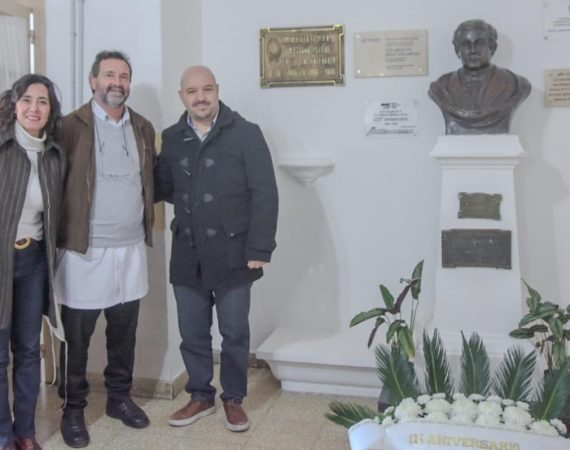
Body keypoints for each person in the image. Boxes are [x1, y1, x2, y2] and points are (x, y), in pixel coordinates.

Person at [155, 65, 278, 432]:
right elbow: (164, 188)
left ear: (217, 90)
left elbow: (265, 194)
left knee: (234, 332)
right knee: (192, 331)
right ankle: (200, 395)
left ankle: (234, 399)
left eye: (207, 89)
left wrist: (260, 248)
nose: (201, 97)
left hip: (234, 252)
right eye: (192, 91)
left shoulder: (246, 133)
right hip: (187, 251)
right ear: (182, 96)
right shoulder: (172, 138)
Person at [55, 51, 156, 448]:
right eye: (109, 74)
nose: (117, 82)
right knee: (77, 337)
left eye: (124, 76)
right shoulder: (69, 127)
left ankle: (119, 398)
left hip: (130, 248)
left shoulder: (142, 127)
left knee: (124, 332)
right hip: (85, 251)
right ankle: (72, 409)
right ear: (93, 80)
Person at [0, 74, 65, 450]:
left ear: (51, 109)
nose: (34, 108)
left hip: (33, 262)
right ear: (14, 104)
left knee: (27, 350)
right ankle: (3, 434)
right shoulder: (3, 146)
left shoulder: (54, 154)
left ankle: (25, 431)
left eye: (42, 101)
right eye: (27, 100)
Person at [428, 19, 531, 134]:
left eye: (479, 43)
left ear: (492, 48)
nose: (472, 50)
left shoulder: (516, 85)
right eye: (466, 44)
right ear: (457, 50)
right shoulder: (441, 87)